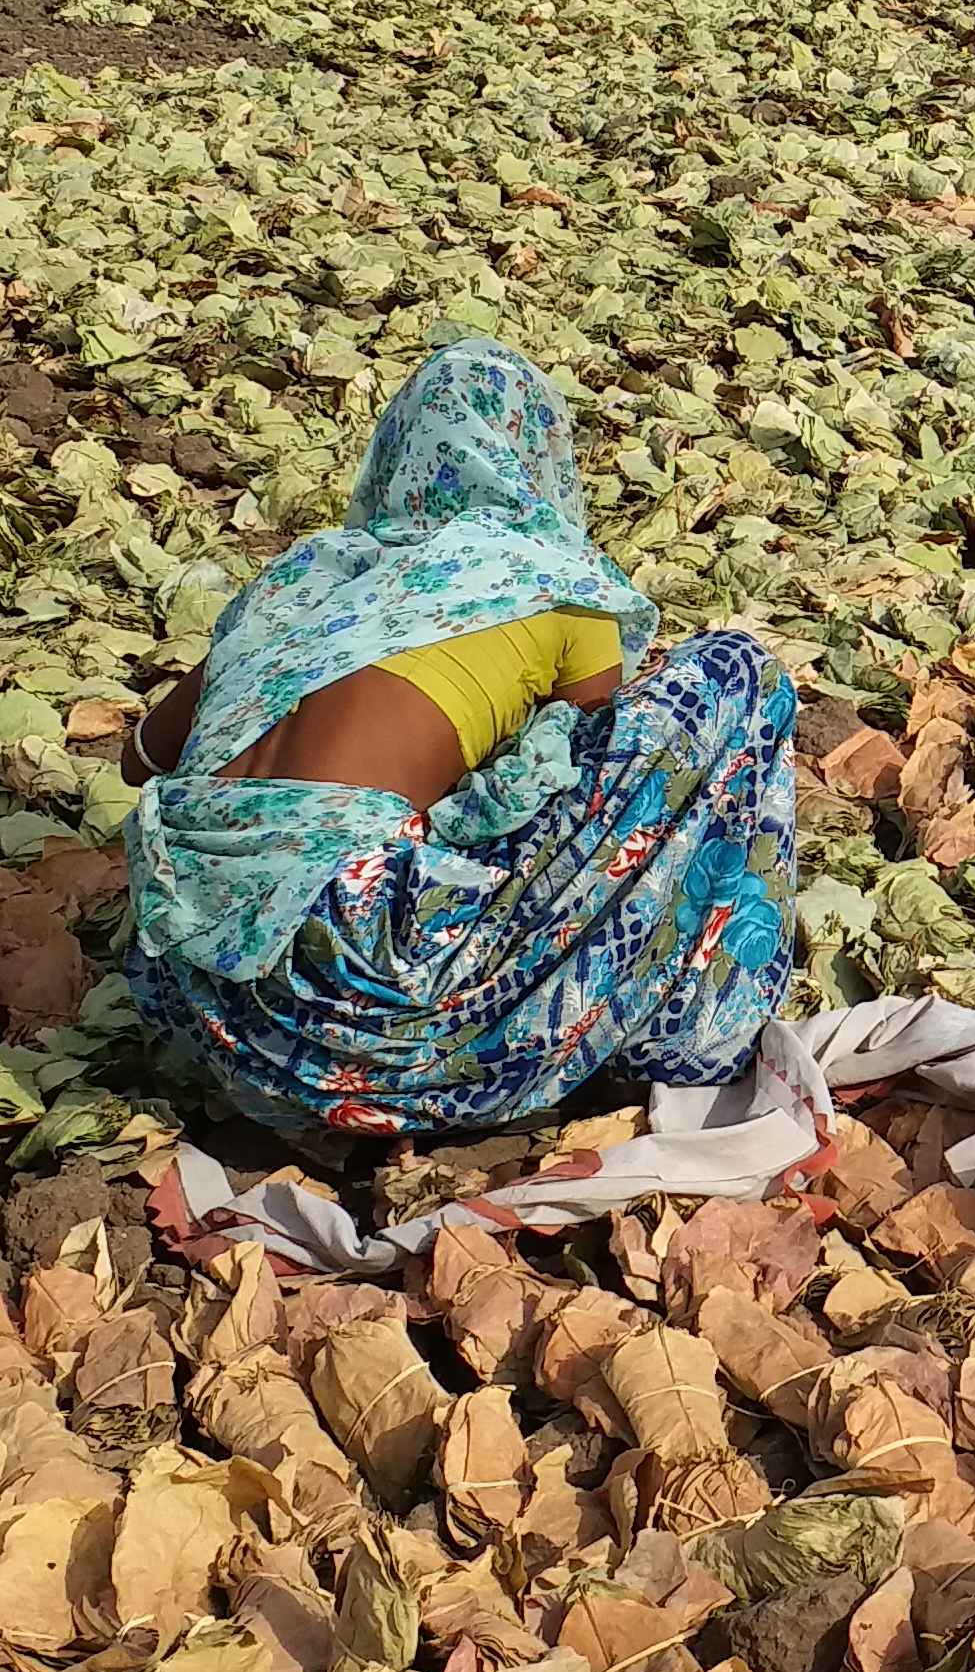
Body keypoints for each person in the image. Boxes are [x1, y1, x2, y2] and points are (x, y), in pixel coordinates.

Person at [118, 339, 796, 1147]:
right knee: (734, 672)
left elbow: (141, 760)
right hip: (372, 1016)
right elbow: (602, 792)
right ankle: (690, 1032)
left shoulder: (300, 576)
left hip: (206, 1010)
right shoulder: (553, 582)